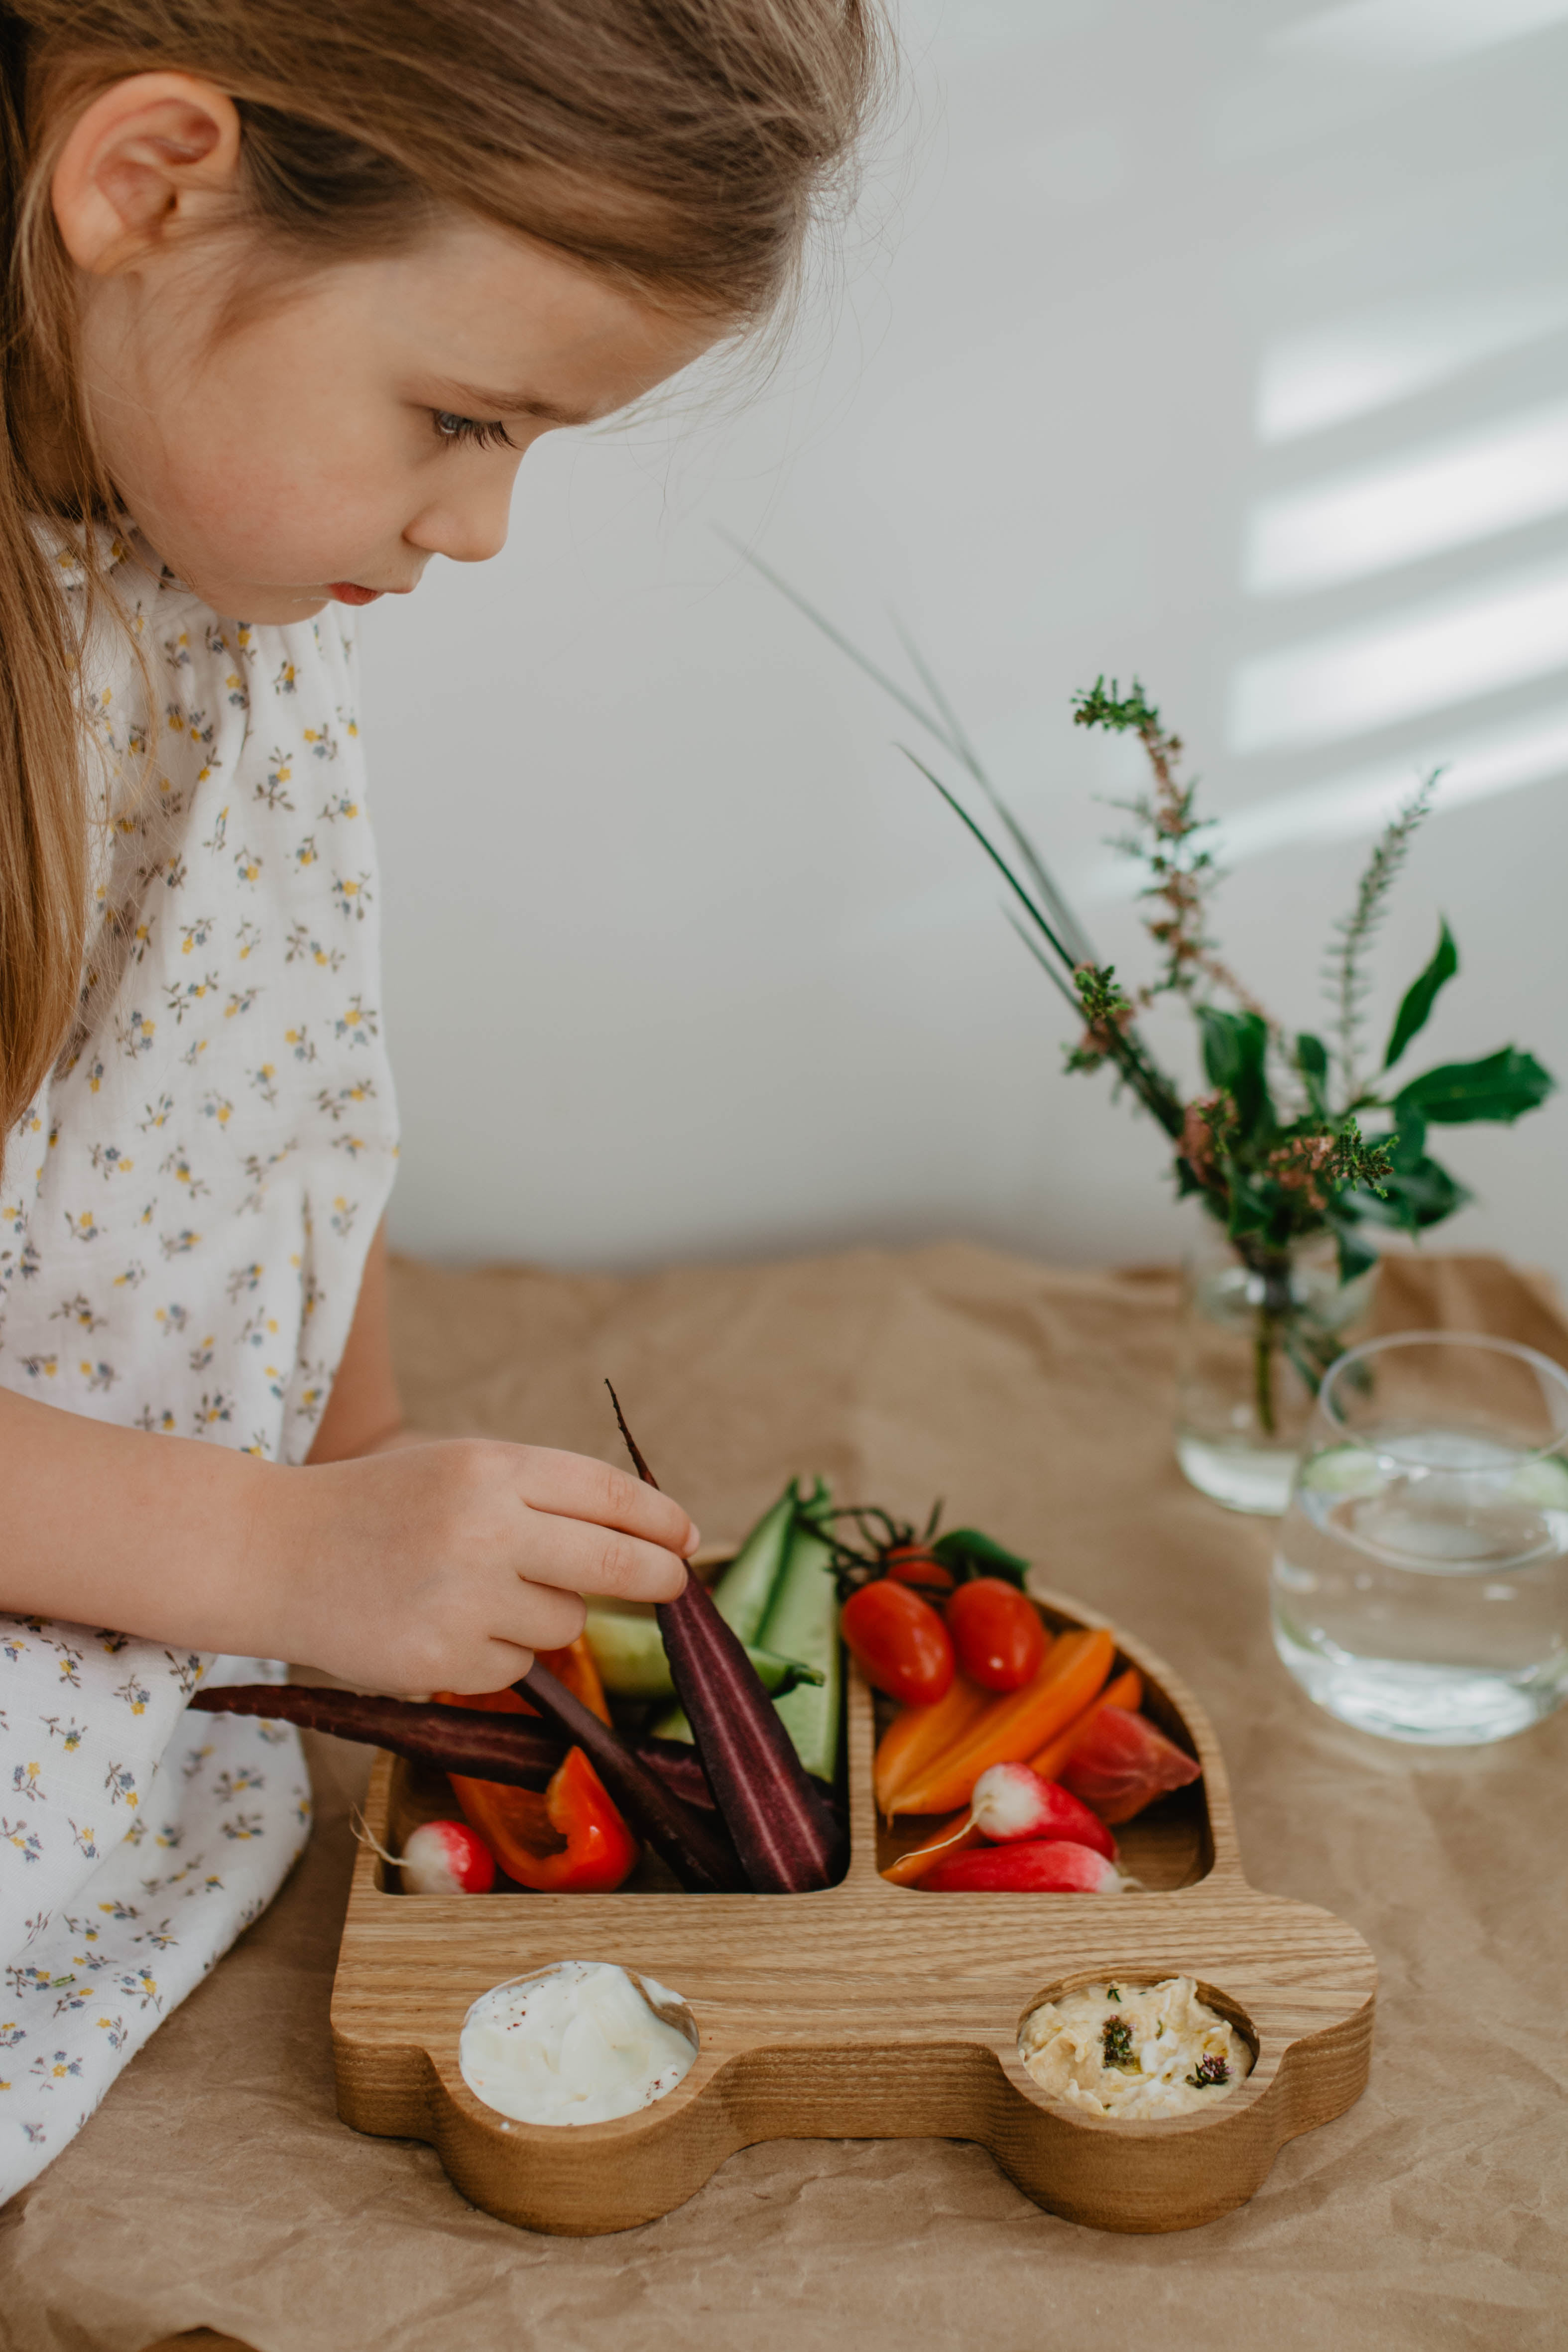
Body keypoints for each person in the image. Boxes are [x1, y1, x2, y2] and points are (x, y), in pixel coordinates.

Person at [0, 0, 883, 2195]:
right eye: (463, 416)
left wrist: (369, 1473)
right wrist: (276, 1549)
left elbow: (280, 1090)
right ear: (148, 181)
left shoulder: (224, 563)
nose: (478, 525)